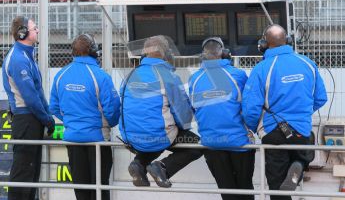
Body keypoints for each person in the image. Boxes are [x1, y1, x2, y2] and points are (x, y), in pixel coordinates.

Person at [242, 24, 327, 200]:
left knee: (277, 184)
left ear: (263, 44)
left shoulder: (261, 69)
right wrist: (302, 113)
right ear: (287, 41)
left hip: (272, 132)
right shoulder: (307, 63)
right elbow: (320, 98)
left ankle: (288, 181)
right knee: (305, 151)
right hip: (301, 129)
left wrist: (255, 128)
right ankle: (299, 164)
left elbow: (250, 109)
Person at [119, 35, 203, 188]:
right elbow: (183, 116)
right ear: (167, 54)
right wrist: (183, 127)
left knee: (153, 135)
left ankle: (139, 163)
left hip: (131, 138)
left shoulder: (129, 75)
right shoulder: (168, 76)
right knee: (197, 145)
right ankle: (163, 167)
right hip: (157, 136)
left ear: (144, 54)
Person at [49, 34, 121, 200]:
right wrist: (106, 124)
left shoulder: (61, 75)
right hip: (98, 140)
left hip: (73, 139)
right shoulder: (101, 76)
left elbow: (53, 106)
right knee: (100, 188)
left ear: (73, 52)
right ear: (94, 52)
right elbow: (113, 111)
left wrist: (71, 122)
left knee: (81, 189)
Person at [189, 37, 255, 200]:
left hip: (211, 143)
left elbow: (192, 110)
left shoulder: (194, 79)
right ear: (225, 54)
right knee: (245, 189)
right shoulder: (238, 75)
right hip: (239, 143)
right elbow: (249, 107)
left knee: (227, 192)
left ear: (202, 56)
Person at [2, 16, 55, 200]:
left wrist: (46, 114)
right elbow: (31, 97)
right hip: (26, 120)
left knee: (31, 172)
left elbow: (38, 91)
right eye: (34, 28)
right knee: (23, 173)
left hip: (31, 119)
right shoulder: (18, 59)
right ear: (23, 33)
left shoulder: (26, 55)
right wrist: (47, 119)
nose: (37, 31)